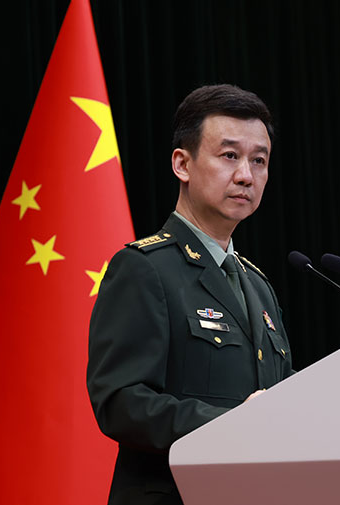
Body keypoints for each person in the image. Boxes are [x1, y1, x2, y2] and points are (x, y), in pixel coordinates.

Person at [87, 84, 294, 505]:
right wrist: (231, 425)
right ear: (182, 164)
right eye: (230, 155)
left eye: (259, 160)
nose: (246, 175)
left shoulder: (258, 285)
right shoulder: (144, 268)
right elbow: (120, 402)